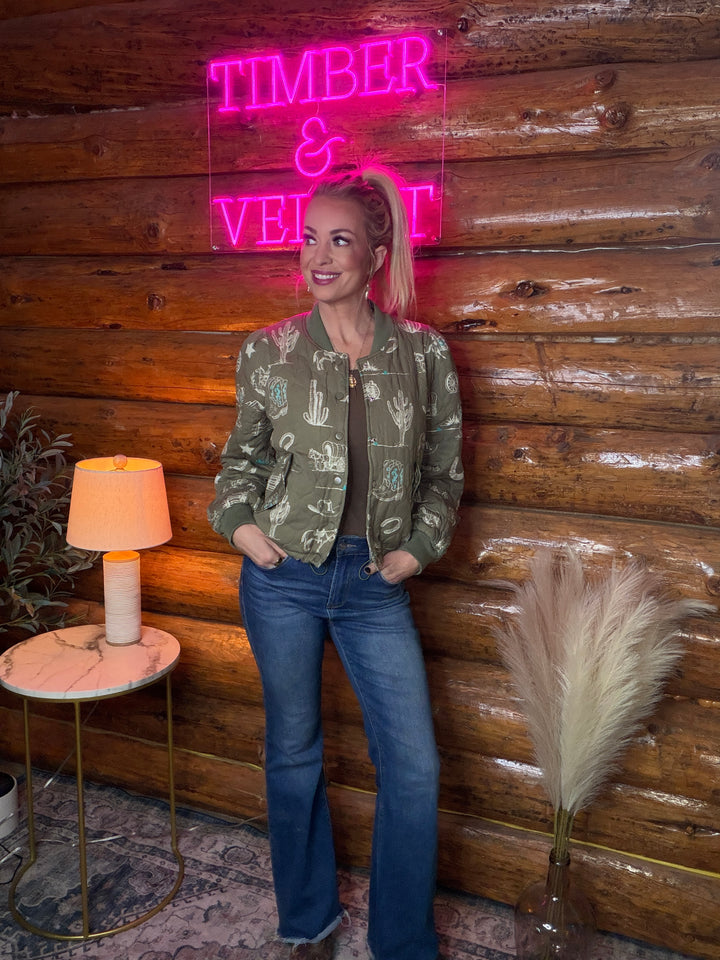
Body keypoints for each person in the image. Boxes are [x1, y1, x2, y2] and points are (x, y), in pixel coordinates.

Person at [208, 165, 463, 960]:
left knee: (413, 766)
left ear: (376, 253)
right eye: (309, 237)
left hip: (372, 586)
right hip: (281, 580)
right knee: (293, 751)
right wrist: (245, 532)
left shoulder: (424, 356)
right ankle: (308, 919)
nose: (319, 255)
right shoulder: (269, 352)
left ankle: (402, 941)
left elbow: (445, 478)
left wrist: (414, 554)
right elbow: (236, 470)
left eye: (340, 239)